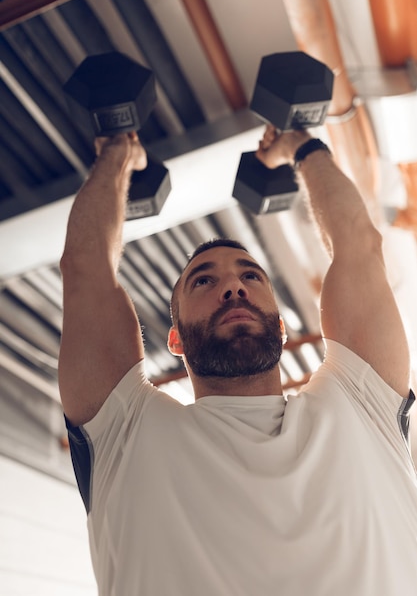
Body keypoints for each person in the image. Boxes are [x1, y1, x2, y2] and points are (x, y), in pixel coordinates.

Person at [59, 125, 417, 596]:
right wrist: (118, 154)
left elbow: (360, 246)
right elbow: (86, 270)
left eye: (250, 275)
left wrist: (300, 145)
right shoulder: (125, 430)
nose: (234, 287)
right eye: (203, 282)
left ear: (283, 327)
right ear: (176, 341)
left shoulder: (359, 400)